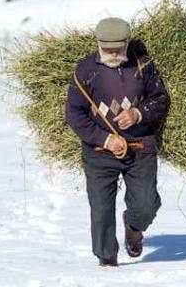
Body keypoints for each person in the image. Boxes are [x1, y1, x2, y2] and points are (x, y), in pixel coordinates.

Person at [65, 17, 169, 267]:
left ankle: (133, 227)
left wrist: (138, 113)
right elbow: (74, 114)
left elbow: (160, 99)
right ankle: (107, 260)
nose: (112, 53)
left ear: (127, 43)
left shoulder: (143, 66)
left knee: (146, 205)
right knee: (101, 210)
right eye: (107, 48)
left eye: (118, 48)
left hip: (140, 147)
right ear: (98, 43)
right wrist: (105, 138)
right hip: (99, 151)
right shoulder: (85, 71)